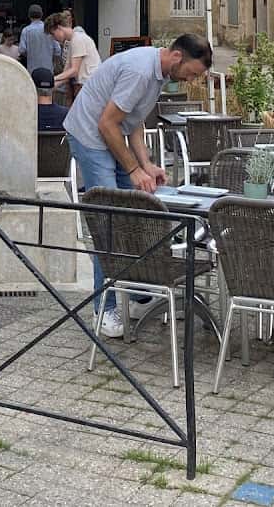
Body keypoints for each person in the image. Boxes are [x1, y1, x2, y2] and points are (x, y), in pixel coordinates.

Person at [64, 33, 212, 338]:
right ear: (176, 57)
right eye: (192, 73)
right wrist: (132, 169)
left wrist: (146, 165)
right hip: (91, 136)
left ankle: (137, 289)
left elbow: (133, 121)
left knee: (135, 211)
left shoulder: (158, 74)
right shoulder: (140, 70)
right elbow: (107, 123)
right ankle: (104, 309)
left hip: (111, 132)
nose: (189, 80)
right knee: (109, 220)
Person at [44, 12, 101, 97]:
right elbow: (67, 72)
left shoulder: (78, 39)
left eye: (53, 34)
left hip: (91, 86)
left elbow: (74, 71)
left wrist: (52, 79)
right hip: (88, 86)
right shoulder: (72, 41)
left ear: (59, 28)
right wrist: (51, 86)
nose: (53, 38)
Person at [19, 4, 61, 73]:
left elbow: (22, 50)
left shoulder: (26, 30)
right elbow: (58, 50)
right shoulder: (49, 29)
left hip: (32, 71)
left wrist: (30, 54)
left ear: (29, 16)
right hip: (48, 70)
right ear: (42, 15)